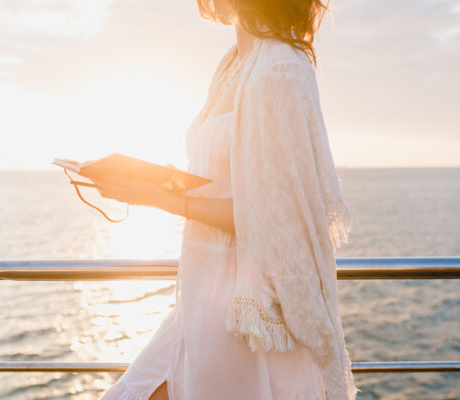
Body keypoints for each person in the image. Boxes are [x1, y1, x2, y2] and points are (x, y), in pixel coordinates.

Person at [92, 0, 359, 399]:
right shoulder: (233, 63)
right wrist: (146, 176)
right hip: (200, 295)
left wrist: (152, 196)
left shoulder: (280, 68)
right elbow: (227, 178)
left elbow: (274, 213)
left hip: (246, 310)